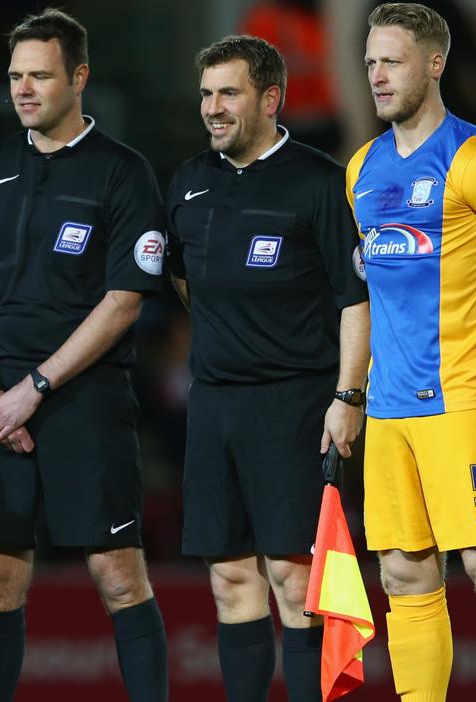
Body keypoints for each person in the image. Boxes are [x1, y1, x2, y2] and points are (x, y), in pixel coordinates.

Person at [0, 9, 169, 701]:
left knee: (117, 571)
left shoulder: (123, 173)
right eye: (15, 76)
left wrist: (33, 388)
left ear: (79, 77)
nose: (24, 89)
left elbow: (123, 302)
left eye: (40, 75)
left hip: (85, 402)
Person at [347, 4, 476, 700]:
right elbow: (372, 297)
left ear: (434, 63)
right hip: (387, 409)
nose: (376, 75)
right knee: (404, 575)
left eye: (392, 60)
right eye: (371, 60)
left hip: (462, 399)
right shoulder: (362, 170)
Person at [165, 35, 370, 702]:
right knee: (229, 578)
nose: (213, 108)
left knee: (291, 579)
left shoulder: (317, 182)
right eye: (206, 94)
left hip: (296, 406)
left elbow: (355, 298)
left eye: (229, 93)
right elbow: (181, 278)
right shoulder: (189, 181)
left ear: (271, 99)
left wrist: (348, 394)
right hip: (215, 405)